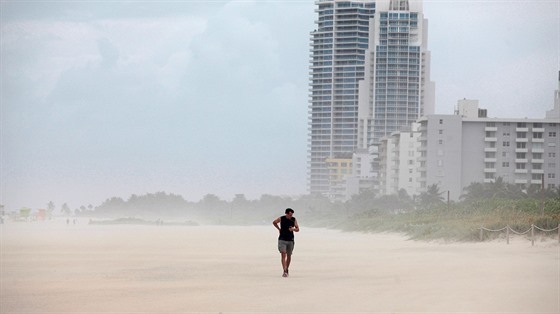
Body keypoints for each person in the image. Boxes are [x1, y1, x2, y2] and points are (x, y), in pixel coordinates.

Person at [273, 208, 299, 277]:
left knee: (289, 256)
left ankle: (287, 269)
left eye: (292, 215)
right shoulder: (281, 218)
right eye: (290, 215)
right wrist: (279, 229)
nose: (291, 216)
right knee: (283, 254)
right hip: (282, 239)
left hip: (290, 240)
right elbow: (274, 222)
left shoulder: (293, 219)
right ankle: (284, 270)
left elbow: (297, 229)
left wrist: (293, 229)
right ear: (286, 214)